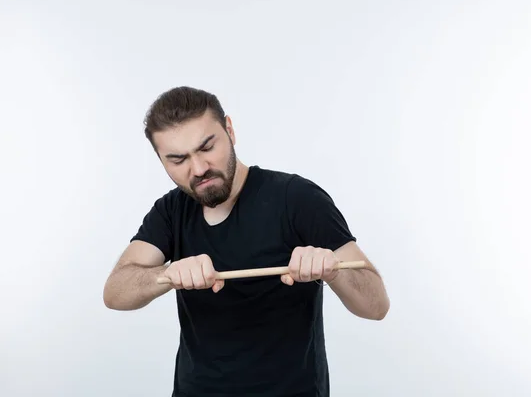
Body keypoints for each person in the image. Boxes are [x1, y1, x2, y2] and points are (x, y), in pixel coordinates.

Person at [103, 86, 390, 397]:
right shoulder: (171, 212)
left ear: (229, 130)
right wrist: (167, 275)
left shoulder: (297, 198)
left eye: (207, 147)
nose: (198, 168)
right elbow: (115, 292)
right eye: (178, 159)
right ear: (161, 160)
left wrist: (334, 272)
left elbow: (376, 305)